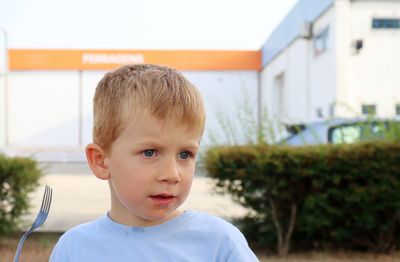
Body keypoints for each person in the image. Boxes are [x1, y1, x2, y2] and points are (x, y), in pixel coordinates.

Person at [49, 64, 259, 261]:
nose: (172, 174)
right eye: (150, 153)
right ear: (101, 161)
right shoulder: (73, 249)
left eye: (185, 155)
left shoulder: (219, 244)